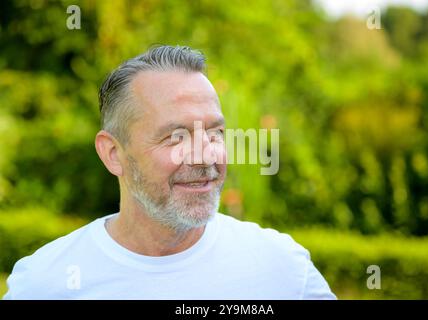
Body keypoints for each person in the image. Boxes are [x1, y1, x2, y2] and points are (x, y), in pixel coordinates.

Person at [3, 45, 336, 300]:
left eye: (214, 133)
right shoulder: (43, 283)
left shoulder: (282, 269)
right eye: (176, 136)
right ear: (113, 153)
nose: (205, 155)